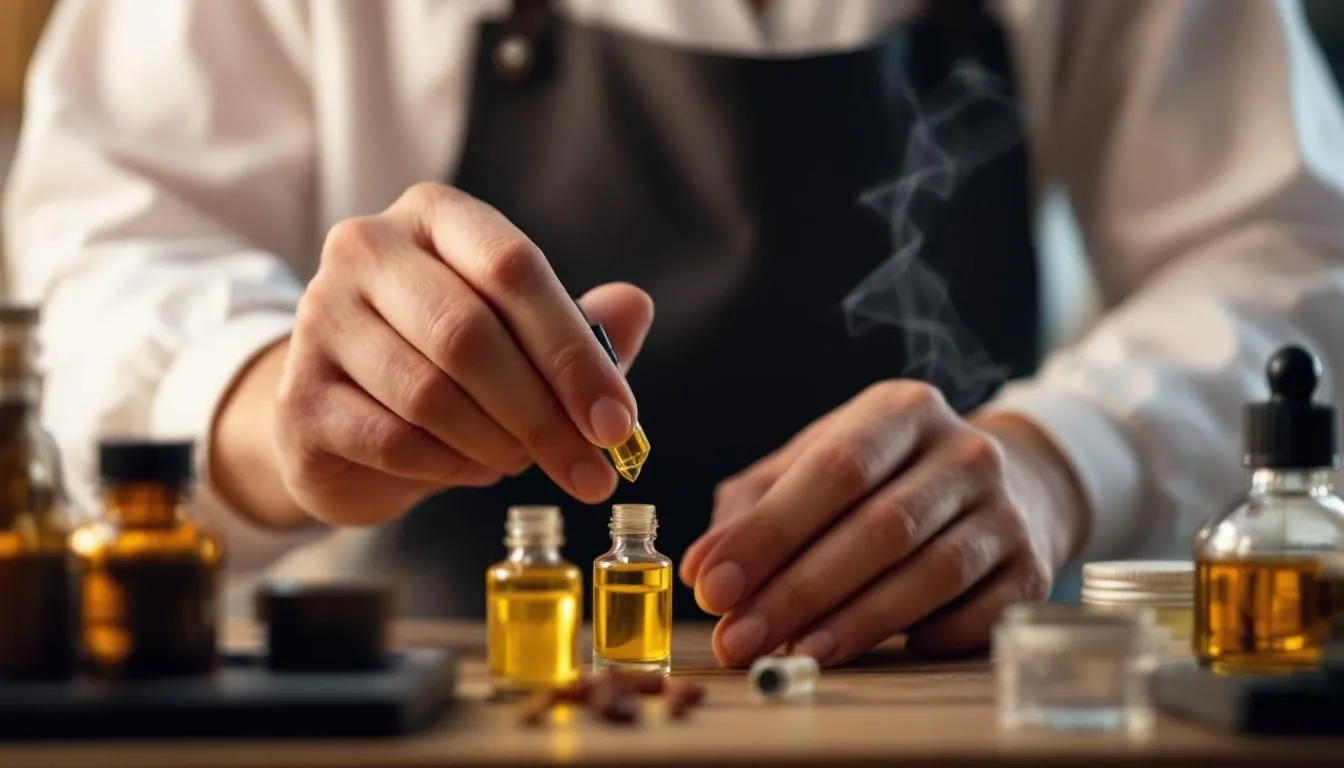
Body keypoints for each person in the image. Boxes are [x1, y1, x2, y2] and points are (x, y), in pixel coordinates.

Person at [5, 0, 1344, 669]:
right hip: (420, 701)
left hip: (935, 703)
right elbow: (108, 255)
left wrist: (1065, 460)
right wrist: (275, 409)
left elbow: (1288, 250)